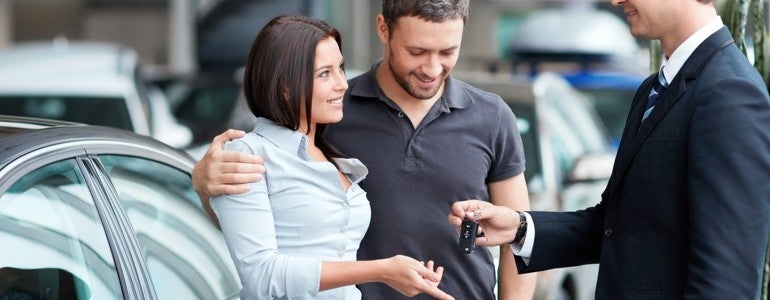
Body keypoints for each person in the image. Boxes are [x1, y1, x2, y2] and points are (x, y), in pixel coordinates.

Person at [193, 1, 537, 299]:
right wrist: (204, 186)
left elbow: (519, 236)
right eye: (417, 52)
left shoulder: (492, 117)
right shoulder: (330, 113)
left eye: (447, 52)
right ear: (383, 29)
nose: (433, 69)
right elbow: (263, 234)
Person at [448, 0, 770, 298]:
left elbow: (726, 282)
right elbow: (615, 226)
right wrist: (519, 227)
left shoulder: (729, 93)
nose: (616, 0)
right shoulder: (652, 90)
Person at [209, 14, 454, 300]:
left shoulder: (333, 156)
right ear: (284, 86)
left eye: (341, 68)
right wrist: (381, 271)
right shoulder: (249, 154)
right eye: (325, 73)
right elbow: (262, 276)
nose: (343, 84)